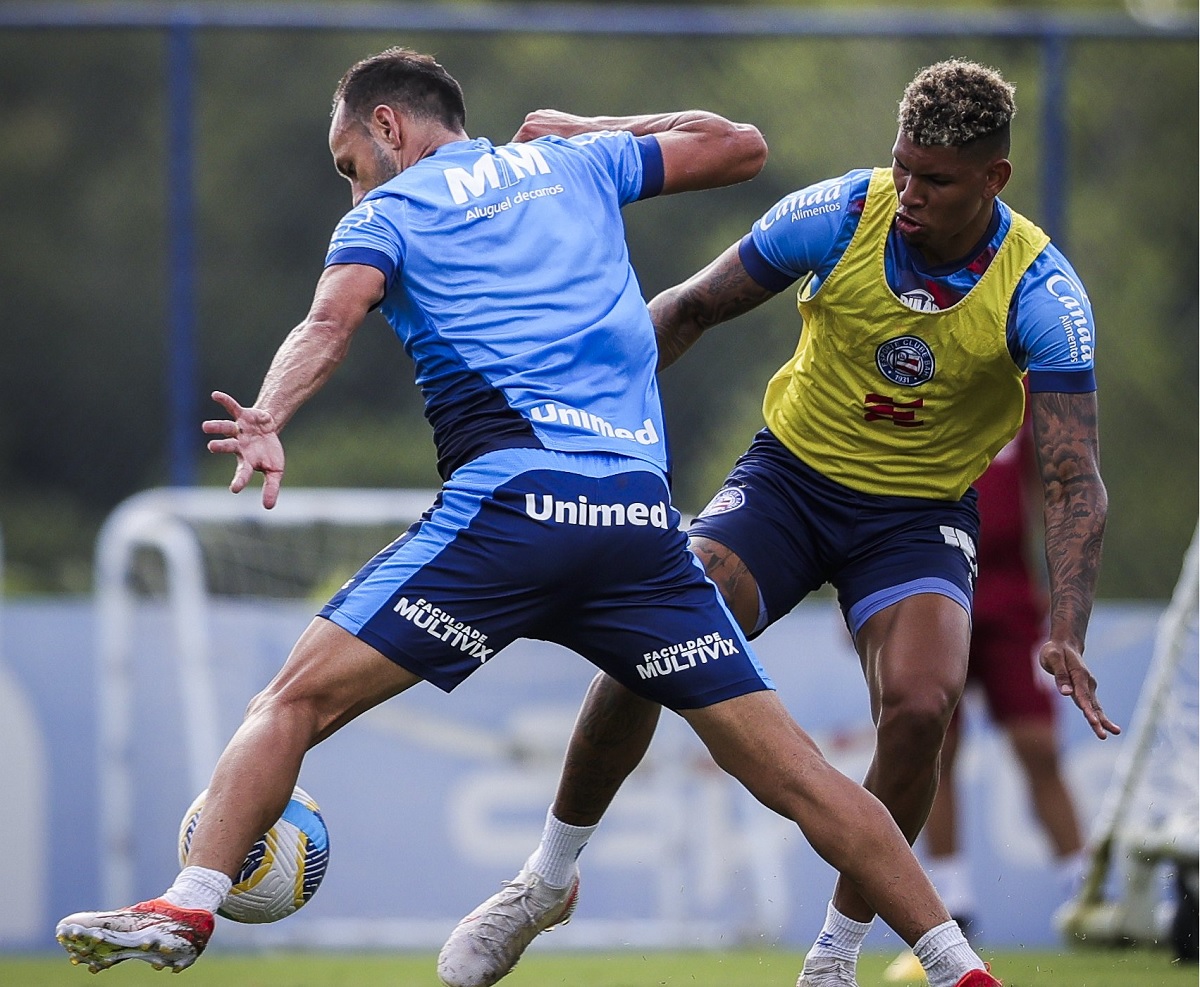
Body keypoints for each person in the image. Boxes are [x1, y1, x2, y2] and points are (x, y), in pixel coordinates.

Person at [53, 47, 998, 987]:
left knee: (293, 701)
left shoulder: (390, 211)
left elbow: (328, 323)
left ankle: (188, 901)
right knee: (801, 776)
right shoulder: (578, 162)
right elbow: (737, 145)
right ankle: (960, 967)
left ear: (388, 126)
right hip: (639, 524)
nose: (353, 193)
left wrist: (269, 412)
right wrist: (591, 126)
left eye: (349, 166)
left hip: (512, 514)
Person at [438, 58, 1117, 987]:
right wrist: (567, 423)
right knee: (654, 632)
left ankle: (832, 958)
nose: (909, 194)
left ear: (994, 179)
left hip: (917, 518)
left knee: (922, 707)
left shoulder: (1042, 295)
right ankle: (542, 882)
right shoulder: (839, 214)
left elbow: (1074, 476)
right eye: (902, 167)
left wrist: (1067, 625)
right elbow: (687, 309)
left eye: (938, 180)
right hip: (789, 485)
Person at [884, 408, 1086, 980]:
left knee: (1039, 744)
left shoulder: (1021, 390)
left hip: (1009, 590)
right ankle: (952, 909)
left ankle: (1088, 892)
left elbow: (1056, 490)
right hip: (932, 577)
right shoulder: (917, 373)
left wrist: (1060, 584)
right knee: (934, 746)